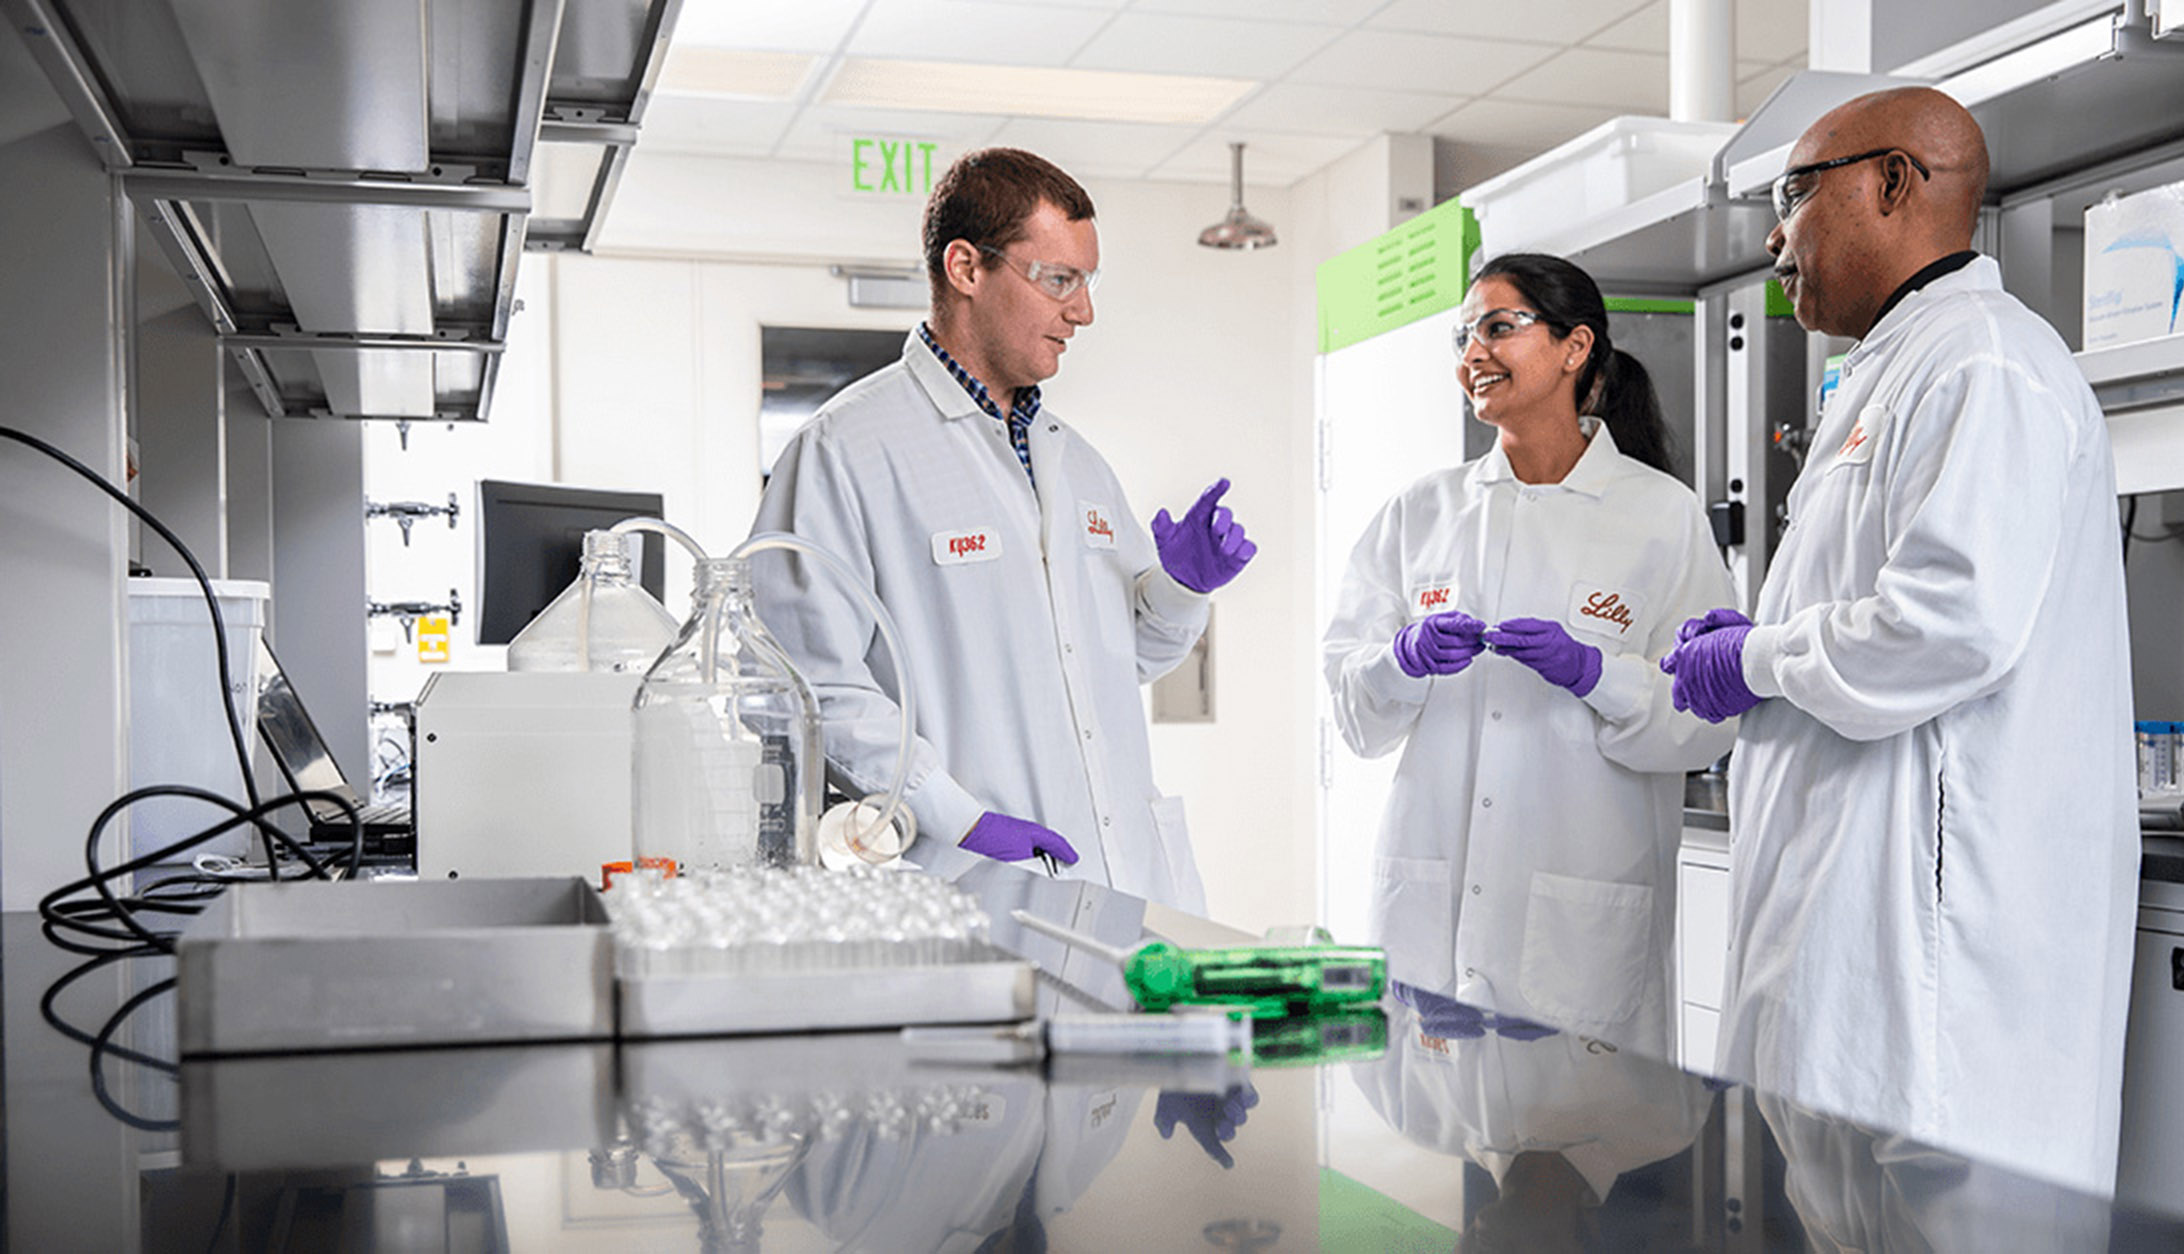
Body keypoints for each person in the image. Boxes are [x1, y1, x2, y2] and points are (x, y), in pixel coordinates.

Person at [1658, 87, 2136, 1195]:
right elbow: (1879, 603)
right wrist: (1767, 642)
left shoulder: (1985, 363)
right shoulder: (1895, 368)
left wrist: (1760, 660)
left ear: (1892, 182)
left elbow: (1947, 623)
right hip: (1851, 935)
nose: (1774, 237)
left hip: (1937, 962)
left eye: (1794, 194)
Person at [749, 148, 1254, 912]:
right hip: (962, 885)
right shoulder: (846, 451)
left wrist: (1181, 589)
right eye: (1059, 280)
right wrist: (958, 816)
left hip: (1120, 886)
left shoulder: (1077, 464)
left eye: (1087, 283)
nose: (1082, 312)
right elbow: (808, 682)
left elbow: (1118, 664)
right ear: (965, 268)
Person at [1322, 252, 1736, 1055]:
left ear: (1575, 347)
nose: (1472, 354)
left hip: (1582, 926)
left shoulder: (1661, 515)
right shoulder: (1422, 512)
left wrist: (1597, 675)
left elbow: (1705, 722)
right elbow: (1355, 720)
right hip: (1433, 911)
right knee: (1437, 1122)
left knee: (1582, 1124)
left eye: (1498, 328)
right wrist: (1399, 662)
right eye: (1462, 337)